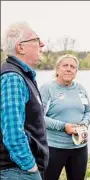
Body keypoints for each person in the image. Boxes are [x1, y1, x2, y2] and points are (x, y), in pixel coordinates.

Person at [0, 22, 49, 180]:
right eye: (36, 40)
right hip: (18, 171)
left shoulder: (22, 75)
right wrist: (30, 167)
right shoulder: (13, 77)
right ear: (20, 47)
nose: (42, 44)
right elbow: (13, 132)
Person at [39, 54, 90, 180]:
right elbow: (39, 117)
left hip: (79, 147)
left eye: (72, 67)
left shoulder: (80, 89)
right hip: (54, 148)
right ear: (57, 69)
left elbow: (89, 111)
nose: (69, 69)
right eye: (65, 65)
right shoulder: (47, 89)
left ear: (76, 72)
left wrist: (84, 123)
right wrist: (63, 126)